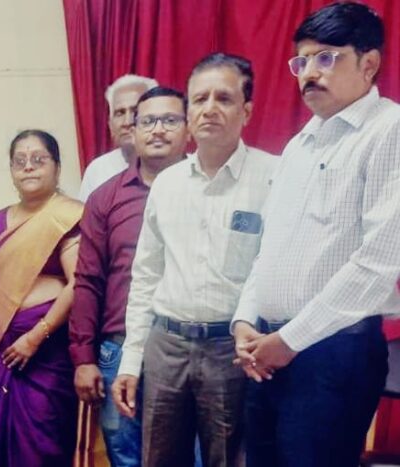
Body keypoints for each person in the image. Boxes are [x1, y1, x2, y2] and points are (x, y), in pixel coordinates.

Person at [232, 4, 400, 466]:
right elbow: (268, 248)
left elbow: (379, 262)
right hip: (269, 349)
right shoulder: (298, 145)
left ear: (369, 64)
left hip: (333, 354)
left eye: (326, 58)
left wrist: (289, 341)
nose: (308, 73)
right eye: (301, 61)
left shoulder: (389, 130)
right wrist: (244, 321)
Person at [111, 54, 278, 467]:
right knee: (158, 459)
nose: (210, 109)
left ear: (247, 111)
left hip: (232, 350)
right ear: (188, 113)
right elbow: (145, 276)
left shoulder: (273, 177)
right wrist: (131, 360)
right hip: (166, 345)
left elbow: (273, 268)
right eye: (200, 99)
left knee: (229, 459)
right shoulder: (168, 185)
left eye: (224, 98)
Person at [69, 86, 189, 467]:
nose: (158, 130)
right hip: (120, 348)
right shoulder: (106, 198)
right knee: (126, 456)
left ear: (188, 128)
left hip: (191, 349)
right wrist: (84, 357)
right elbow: (88, 280)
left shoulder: (208, 190)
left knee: (194, 455)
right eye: (148, 121)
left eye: (169, 120)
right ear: (132, 131)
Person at [0, 130, 82, 467]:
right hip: (1, 347)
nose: (28, 167)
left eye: (38, 159)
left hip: (47, 350)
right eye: (20, 161)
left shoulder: (69, 216)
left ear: (56, 167)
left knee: (41, 442)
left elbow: (78, 283)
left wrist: (35, 336)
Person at [78, 74, 158, 201]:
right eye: (120, 113)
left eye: (135, 111)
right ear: (110, 125)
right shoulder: (98, 170)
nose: (127, 122)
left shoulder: (181, 166)